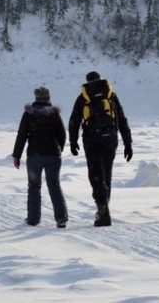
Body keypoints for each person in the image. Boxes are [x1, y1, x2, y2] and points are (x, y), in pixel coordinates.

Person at [68, 71, 132, 227]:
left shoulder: (83, 97)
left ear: (87, 81)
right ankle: (104, 210)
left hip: (92, 141)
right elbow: (122, 119)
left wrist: (73, 141)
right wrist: (128, 143)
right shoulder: (111, 95)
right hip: (110, 140)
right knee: (106, 175)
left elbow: (74, 121)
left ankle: (103, 213)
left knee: (96, 176)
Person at [12, 85, 68, 227]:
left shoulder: (29, 114)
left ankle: (33, 219)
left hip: (34, 156)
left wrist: (16, 155)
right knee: (54, 185)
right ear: (48, 98)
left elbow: (22, 135)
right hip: (53, 156)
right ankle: (61, 219)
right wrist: (58, 149)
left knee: (34, 187)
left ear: (36, 98)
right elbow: (62, 134)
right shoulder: (54, 114)